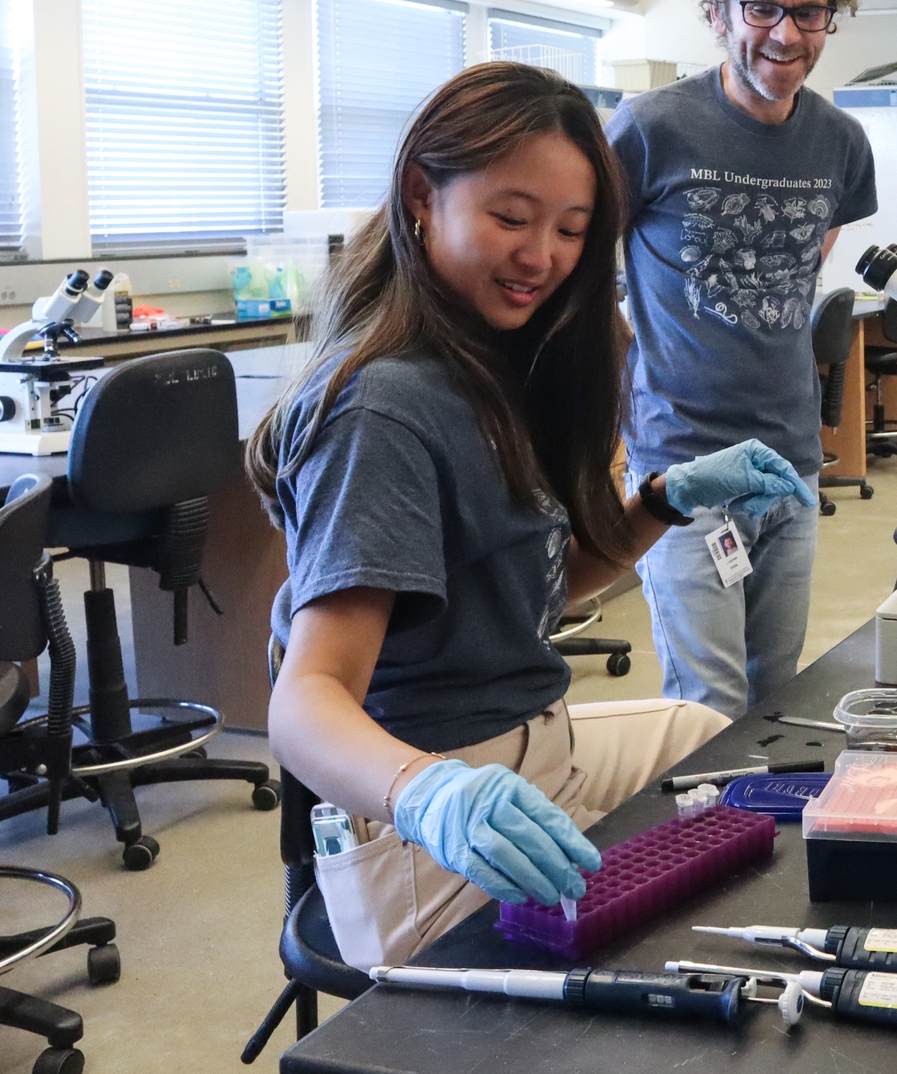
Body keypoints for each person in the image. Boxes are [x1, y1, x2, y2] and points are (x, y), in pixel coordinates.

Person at [256, 63, 810, 969]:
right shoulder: (383, 410)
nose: (542, 255)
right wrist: (430, 793)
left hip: (536, 748)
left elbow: (534, 591)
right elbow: (304, 700)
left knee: (726, 748)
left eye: (571, 230)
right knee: (633, 983)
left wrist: (662, 503)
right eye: (511, 218)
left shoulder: (496, 362)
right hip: (433, 810)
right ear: (421, 196)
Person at [607, 0, 878, 718]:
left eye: (809, 12)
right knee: (707, 709)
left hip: (788, 459)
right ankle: (695, 847)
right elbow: (582, 273)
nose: (786, 35)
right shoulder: (651, 128)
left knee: (774, 698)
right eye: (763, 8)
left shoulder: (839, 142)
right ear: (720, 8)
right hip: (682, 465)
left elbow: (810, 251)